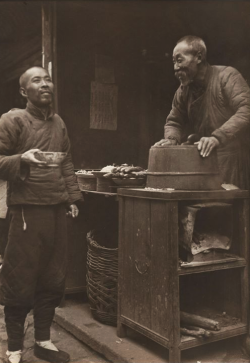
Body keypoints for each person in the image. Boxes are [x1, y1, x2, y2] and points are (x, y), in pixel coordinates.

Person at [0, 66, 83, 363]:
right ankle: (14, 346)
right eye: (37, 80)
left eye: (48, 79)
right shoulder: (13, 120)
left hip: (57, 210)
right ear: (24, 91)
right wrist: (20, 158)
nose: (45, 84)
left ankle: (43, 341)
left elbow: (67, 162)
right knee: (19, 277)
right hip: (26, 211)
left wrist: (72, 197)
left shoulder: (58, 123)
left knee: (53, 277)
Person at [155, 35, 250, 189]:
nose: (175, 67)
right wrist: (172, 139)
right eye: (174, 62)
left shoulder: (227, 76)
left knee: (233, 208)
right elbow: (174, 121)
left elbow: (246, 110)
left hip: (234, 162)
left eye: (179, 60)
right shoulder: (183, 91)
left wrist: (217, 137)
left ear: (198, 57)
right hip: (204, 163)